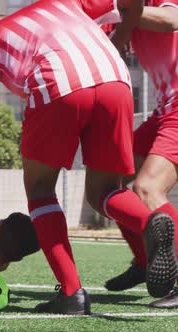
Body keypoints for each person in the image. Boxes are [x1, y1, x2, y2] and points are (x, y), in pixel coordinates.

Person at [0, 0, 176, 315]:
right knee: (104, 192)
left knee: (41, 189)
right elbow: (133, 3)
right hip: (116, 79)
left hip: (60, 82)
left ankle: (72, 294)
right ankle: (148, 219)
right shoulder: (64, 5)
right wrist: (122, 36)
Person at [97, 1, 178, 309]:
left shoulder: (151, 4)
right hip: (164, 110)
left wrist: (126, 16)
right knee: (109, 182)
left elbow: (172, 20)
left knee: (147, 188)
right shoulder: (116, 9)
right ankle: (145, 262)